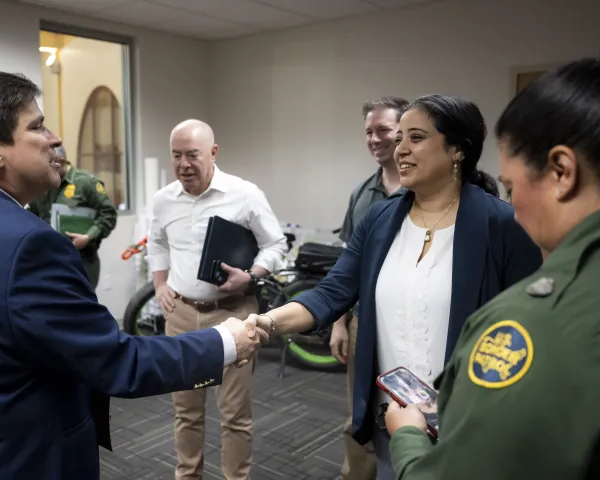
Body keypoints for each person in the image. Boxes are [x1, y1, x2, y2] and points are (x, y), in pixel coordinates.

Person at [0, 71, 267, 480]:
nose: (55, 138)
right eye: (37, 126)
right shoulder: (28, 245)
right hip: (14, 462)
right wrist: (227, 341)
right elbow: (119, 363)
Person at [237, 94, 543, 480]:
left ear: (457, 150)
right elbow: (332, 292)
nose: (401, 149)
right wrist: (265, 322)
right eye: (399, 139)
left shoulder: (501, 225)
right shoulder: (381, 219)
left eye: (416, 138)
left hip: (469, 421)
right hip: (394, 418)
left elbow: (531, 329)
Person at [385, 57, 600, 480]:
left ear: (561, 171)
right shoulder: (384, 215)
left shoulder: (528, 323)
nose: (515, 209)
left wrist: (408, 439)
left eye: (513, 187)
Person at [147, 119, 287, 480]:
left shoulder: (245, 194)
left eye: (192, 155)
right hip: (181, 316)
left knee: (234, 416)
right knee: (186, 412)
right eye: (176, 156)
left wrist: (252, 275)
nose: (183, 165)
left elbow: (276, 244)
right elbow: (158, 244)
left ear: (213, 153)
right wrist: (160, 285)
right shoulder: (163, 199)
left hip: (234, 316)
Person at [330, 95, 409, 480]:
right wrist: (339, 323)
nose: (374, 139)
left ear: (404, 132)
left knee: (414, 409)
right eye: (368, 132)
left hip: (412, 321)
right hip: (364, 320)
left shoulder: (422, 190)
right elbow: (349, 264)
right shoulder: (361, 193)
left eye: (383, 130)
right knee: (358, 410)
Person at [27, 145, 117, 289]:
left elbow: (109, 214)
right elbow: (33, 214)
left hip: (81, 261)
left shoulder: (85, 183)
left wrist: (88, 237)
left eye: (49, 166)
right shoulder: (42, 183)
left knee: (81, 307)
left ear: (61, 161)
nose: (46, 171)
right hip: (48, 260)